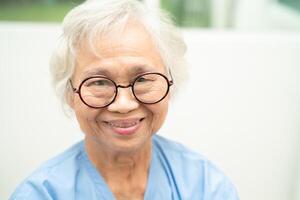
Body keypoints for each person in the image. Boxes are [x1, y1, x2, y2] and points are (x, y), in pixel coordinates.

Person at [10, 0, 239, 199]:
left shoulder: (205, 187)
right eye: (99, 82)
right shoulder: (41, 194)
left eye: (142, 79)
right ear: (71, 94)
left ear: (170, 83)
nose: (123, 104)